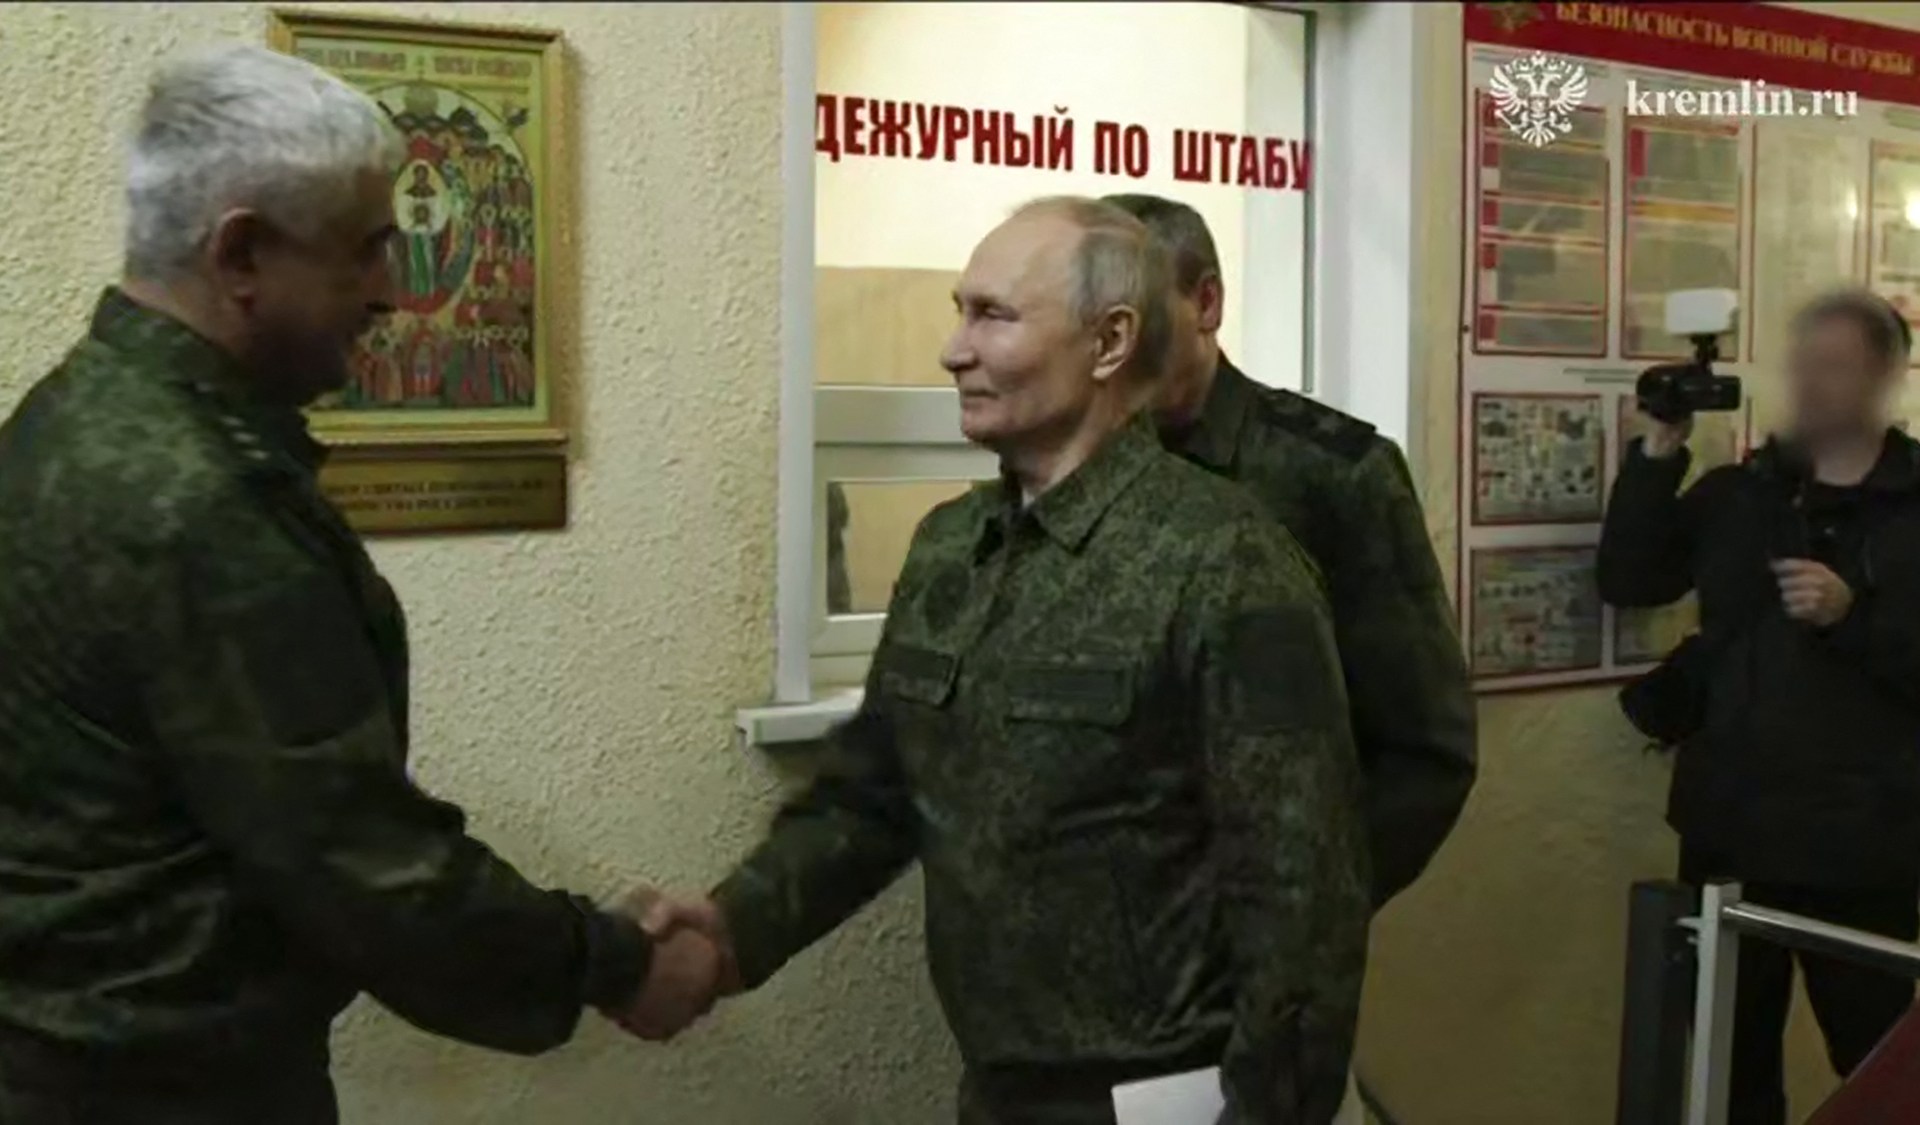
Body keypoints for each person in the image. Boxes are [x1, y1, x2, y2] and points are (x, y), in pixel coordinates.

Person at [0, 45, 718, 1124]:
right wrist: (614, 961)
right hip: (165, 1087)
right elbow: (365, 866)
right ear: (242, 252)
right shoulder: (200, 504)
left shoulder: (70, 418)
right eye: (366, 249)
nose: (391, 290)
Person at [645, 196, 1371, 1124]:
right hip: (1000, 1094)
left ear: (1109, 342)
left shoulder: (1225, 560)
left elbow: (1302, 898)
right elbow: (874, 796)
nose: (953, 349)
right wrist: (727, 932)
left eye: (993, 315)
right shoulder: (951, 549)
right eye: (960, 312)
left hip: (1174, 1099)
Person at [1102, 193, 1477, 910]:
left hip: (1256, 924)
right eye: (1092, 324)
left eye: (1136, 317)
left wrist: (1304, 913)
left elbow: (1424, 748)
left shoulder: (1330, 473)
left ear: (1205, 302)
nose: (1114, 350)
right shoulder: (1072, 467)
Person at [1599, 288, 1920, 1125]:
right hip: (1731, 834)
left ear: (1886, 375)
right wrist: (1658, 454)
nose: (1812, 383)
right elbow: (1630, 578)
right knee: (1725, 1076)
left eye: (1836, 365)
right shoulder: (1744, 493)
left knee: (1881, 1076)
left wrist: (1853, 619)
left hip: (1864, 847)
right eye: (1803, 364)